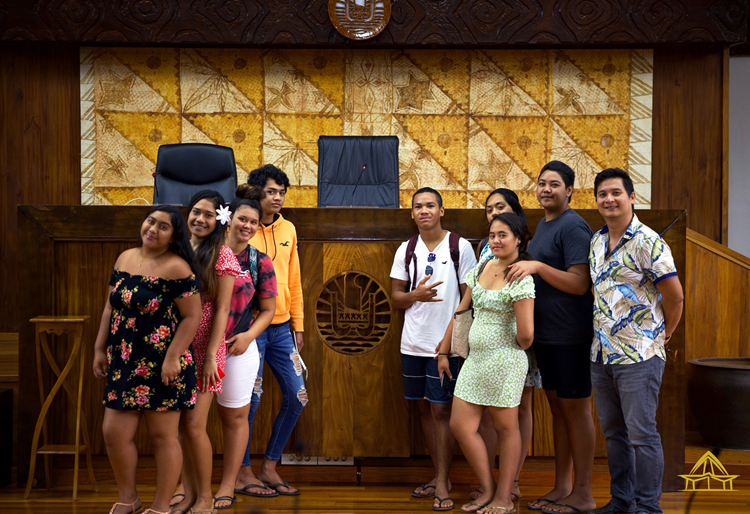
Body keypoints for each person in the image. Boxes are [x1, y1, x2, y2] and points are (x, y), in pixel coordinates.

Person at [92, 206, 202, 514]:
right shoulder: (125, 258)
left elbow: (192, 317)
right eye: (150, 221)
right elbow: (108, 308)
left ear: (173, 236)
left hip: (162, 362)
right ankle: (128, 498)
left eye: (163, 226)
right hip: (124, 359)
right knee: (113, 432)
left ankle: (161, 506)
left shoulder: (178, 267)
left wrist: (172, 358)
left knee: (162, 435)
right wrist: (100, 349)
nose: (153, 228)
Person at [587, 168, 683, 514]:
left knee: (642, 436)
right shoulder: (597, 242)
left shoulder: (649, 242)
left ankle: (648, 508)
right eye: (602, 194)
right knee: (614, 435)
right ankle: (622, 501)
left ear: (632, 197)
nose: (609, 199)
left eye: (616, 193)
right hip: (602, 355)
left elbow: (675, 297)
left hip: (639, 355)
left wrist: (663, 335)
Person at [506, 161, 596, 514]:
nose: (546, 189)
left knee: (576, 411)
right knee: (559, 412)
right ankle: (563, 486)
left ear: (570, 190)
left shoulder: (573, 226)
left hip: (569, 336)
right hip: (547, 336)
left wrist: (538, 267)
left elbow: (579, 283)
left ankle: (584, 493)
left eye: (554, 184)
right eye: (541, 183)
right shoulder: (544, 224)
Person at [438, 212, 535, 514]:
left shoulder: (521, 276)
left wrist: (506, 345)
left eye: (503, 235)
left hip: (505, 360)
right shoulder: (483, 265)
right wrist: (443, 350)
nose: (496, 240)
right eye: (492, 235)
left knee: (506, 428)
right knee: (460, 425)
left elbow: (527, 335)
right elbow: (462, 310)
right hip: (475, 359)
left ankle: (504, 497)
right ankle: (488, 488)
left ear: (519, 239)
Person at [390, 187, 477, 512]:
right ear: (412, 214)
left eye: (430, 205)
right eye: (417, 206)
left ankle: (442, 481)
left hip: (448, 346)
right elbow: (396, 297)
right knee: (424, 410)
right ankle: (439, 475)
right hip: (413, 343)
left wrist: (450, 339)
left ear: (441, 211)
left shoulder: (459, 246)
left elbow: (470, 295)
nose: (423, 210)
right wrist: (415, 296)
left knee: (442, 411)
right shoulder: (406, 249)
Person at [235, 164, 306, 497]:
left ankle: (269, 466)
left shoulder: (289, 228)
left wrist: (298, 324)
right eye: (271, 192)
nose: (278, 198)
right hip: (250, 329)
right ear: (256, 191)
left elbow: (294, 279)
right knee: (250, 401)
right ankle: (243, 471)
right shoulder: (242, 228)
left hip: (282, 331)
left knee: (298, 396)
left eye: (282, 193)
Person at [170, 191, 241, 514]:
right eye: (196, 212)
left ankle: (205, 498)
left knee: (195, 425)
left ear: (219, 221)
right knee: (181, 426)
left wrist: (212, 355)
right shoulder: (178, 250)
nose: (200, 219)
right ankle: (186, 493)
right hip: (177, 346)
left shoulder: (223, 256)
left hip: (206, 350)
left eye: (208, 215)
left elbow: (223, 310)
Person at [473, 189, 541, 504]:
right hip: (484, 348)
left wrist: (518, 338)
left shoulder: (525, 253)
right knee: (487, 415)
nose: (492, 212)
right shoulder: (484, 251)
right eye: (488, 209)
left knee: (518, 411)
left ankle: (512, 481)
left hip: (516, 342)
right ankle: (490, 480)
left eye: (499, 208)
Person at [213, 185, 278, 509]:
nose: (248, 226)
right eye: (242, 218)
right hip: (197, 348)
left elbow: (268, 310)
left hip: (238, 347)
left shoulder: (259, 262)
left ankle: (228, 484)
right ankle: (185, 482)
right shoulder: (205, 252)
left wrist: (249, 336)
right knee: (188, 420)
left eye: (254, 222)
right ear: (228, 219)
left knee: (236, 419)